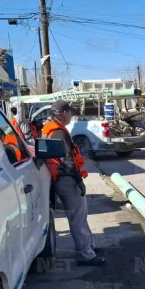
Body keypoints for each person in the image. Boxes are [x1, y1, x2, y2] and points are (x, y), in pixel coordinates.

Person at [42, 100, 105, 265]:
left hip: (62, 177)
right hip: (66, 179)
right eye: (70, 113)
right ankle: (86, 254)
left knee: (80, 216)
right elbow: (68, 161)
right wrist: (79, 181)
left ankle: (89, 246)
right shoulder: (58, 133)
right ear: (63, 114)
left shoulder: (50, 128)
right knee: (77, 217)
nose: (71, 116)